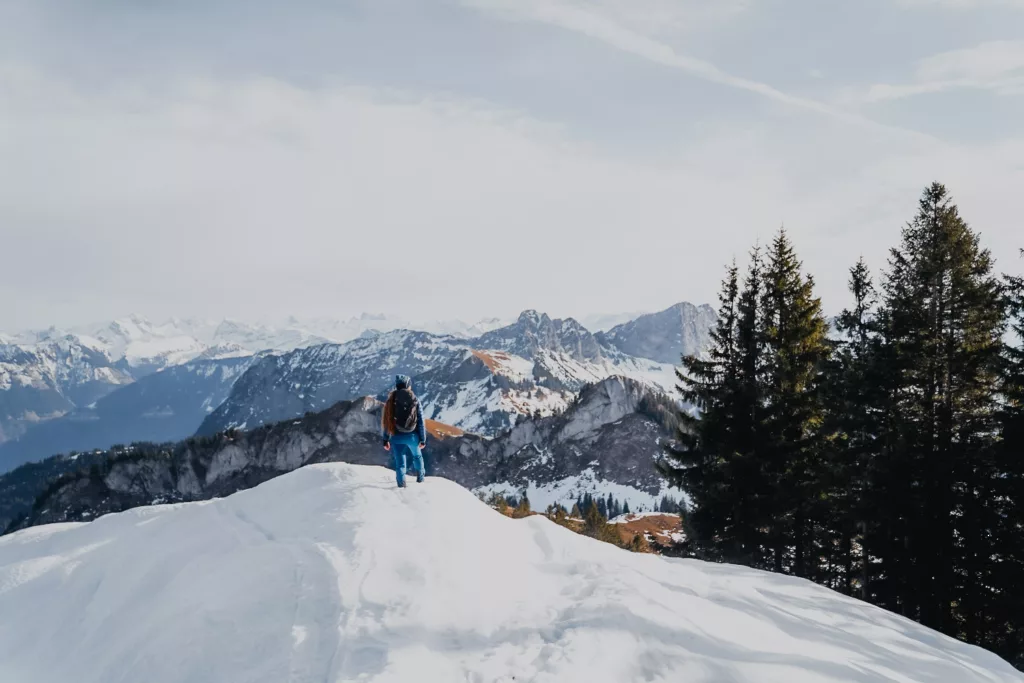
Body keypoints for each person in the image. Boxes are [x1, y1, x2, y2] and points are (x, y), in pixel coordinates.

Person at [381, 374, 427, 487]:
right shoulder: (415, 399)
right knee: (417, 456)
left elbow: (387, 422)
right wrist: (422, 439)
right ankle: (421, 480)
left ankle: (401, 486)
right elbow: (421, 421)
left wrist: (385, 439)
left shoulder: (390, 401)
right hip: (412, 437)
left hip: (397, 436)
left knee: (400, 463)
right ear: (407, 385)